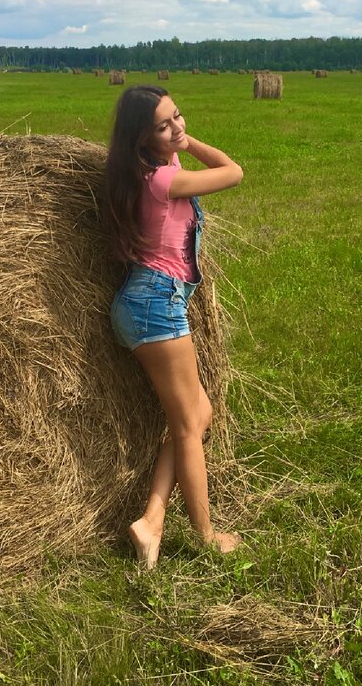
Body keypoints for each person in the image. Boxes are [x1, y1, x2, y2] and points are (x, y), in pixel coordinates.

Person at [104, 84, 243, 569]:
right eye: (164, 126)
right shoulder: (163, 180)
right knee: (188, 425)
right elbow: (233, 172)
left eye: (179, 117)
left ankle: (152, 520)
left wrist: (177, 142)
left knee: (196, 415)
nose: (178, 128)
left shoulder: (154, 171)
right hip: (156, 305)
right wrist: (192, 142)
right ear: (142, 138)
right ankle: (204, 535)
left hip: (149, 303)